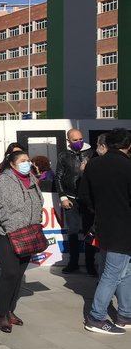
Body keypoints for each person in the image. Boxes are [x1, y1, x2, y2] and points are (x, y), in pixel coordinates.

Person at [0, 150, 44, 333]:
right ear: (12, 164)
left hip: (27, 234)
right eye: (22, 161)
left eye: (28, 160)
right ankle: (2, 314)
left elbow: (38, 201)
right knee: (10, 271)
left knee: (19, 274)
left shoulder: (32, 180)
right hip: (3, 233)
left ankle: (11, 310)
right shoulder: (2, 181)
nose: (27, 163)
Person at [79, 128, 131, 335]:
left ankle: (125, 314)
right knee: (113, 274)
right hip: (124, 227)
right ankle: (96, 317)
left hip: (102, 225)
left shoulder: (94, 164)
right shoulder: (128, 166)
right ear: (128, 145)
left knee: (124, 272)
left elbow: (84, 196)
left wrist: (99, 211)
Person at [55, 128, 96, 275]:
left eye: (80, 139)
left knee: (89, 231)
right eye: (75, 140)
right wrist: (63, 196)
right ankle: (73, 262)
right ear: (68, 141)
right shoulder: (63, 155)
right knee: (72, 230)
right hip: (71, 199)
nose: (79, 142)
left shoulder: (92, 153)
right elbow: (58, 177)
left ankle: (90, 264)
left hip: (87, 199)